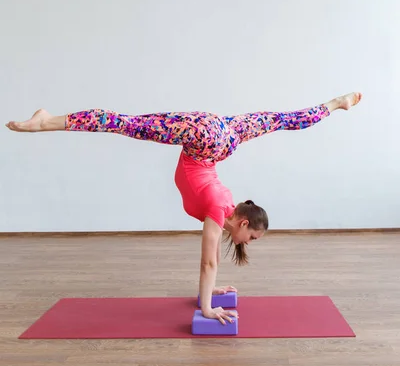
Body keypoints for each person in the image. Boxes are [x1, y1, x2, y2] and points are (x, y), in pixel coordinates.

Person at [6, 91, 362, 324]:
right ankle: (46, 121)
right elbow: (209, 261)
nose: (247, 242)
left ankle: (336, 103)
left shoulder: (224, 205)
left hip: (224, 135)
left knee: (281, 120)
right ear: (241, 221)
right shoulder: (218, 207)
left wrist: (213, 290)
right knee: (125, 124)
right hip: (207, 137)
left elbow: (214, 262)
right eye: (251, 237)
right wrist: (207, 308)